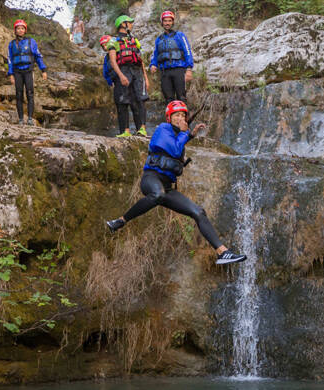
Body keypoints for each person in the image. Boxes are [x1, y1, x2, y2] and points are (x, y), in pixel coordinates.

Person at [106, 101, 247, 265]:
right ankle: (121, 220)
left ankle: (223, 252)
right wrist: (186, 134)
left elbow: (178, 150)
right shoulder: (162, 129)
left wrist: (189, 135)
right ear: (169, 118)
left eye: (183, 115)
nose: (180, 118)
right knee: (157, 195)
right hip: (151, 179)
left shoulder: (180, 134)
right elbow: (173, 149)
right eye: (176, 115)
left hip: (167, 187)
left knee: (198, 212)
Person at [106, 15, 149, 138]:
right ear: (123, 24)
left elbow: (140, 60)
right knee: (123, 102)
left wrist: (145, 78)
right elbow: (113, 61)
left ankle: (142, 129)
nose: (132, 24)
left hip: (137, 71)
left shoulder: (134, 40)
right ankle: (125, 131)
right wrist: (120, 75)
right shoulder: (113, 41)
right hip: (123, 71)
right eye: (130, 23)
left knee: (140, 100)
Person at [7, 19, 48, 126]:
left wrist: (43, 70)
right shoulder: (11, 44)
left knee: (30, 93)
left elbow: (38, 56)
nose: (20, 30)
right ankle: (21, 119)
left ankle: (30, 118)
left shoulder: (31, 42)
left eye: (22, 28)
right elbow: (10, 60)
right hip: (17, 72)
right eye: (18, 28)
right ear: (15, 30)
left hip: (28, 71)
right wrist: (11, 74)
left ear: (25, 30)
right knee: (19, 94)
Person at [150, 11, 194, 103]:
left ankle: (183, 117)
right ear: (162, 22)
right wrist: (153, 64)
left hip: (179, 70)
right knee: (168, 99)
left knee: (181, 97)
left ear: (173, 22)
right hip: (164, 72)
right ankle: (170, 117)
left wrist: (189, 69)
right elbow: (155, 54)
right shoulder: (159, 39)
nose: (167, 23)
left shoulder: (180, 35)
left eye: (169, 21)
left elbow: (187, 51)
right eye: (165, 21)